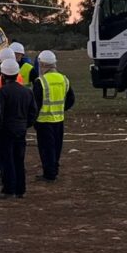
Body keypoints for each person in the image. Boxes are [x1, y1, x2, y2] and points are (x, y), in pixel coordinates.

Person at [0, 59, 38, 199]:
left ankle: (8, 189)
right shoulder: (27, 92)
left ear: (4, 75)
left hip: (6, 131)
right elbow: (33, 112)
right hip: (21, 130)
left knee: (7, 160)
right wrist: (25, 124)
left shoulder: (2, 92)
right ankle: (20, 189)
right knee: (19, 160)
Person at [33, 50, 75, 182]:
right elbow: (71, 99)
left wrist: (33, 119)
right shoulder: (64, 79)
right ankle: (54, 169)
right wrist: (61, 109)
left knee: (46, 149)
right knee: (57, 147)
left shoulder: (41, 81)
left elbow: (36, 104)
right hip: (59, 119)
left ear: (43, 64)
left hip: (44, 120)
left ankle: (49, 174)